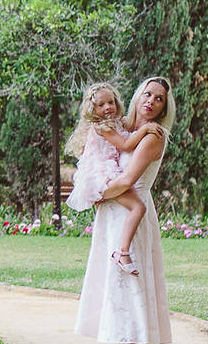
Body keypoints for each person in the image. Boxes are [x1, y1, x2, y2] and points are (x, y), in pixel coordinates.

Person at [74, 76, 175, 344]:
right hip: (115, 217)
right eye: (147, 93)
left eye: (159, 99)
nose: (151, 101)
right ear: (136, 96)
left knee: (127, 300)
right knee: (125, 296)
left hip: (130, 217)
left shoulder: (152, 138)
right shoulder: (121, 128)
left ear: (164, 107)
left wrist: (95, 194)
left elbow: (126, 180)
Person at [65, 82, 163, 275]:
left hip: (106, 171)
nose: (108, 107)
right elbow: (126, 145)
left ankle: (122, 252)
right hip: (103, 174)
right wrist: (144, 130)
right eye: (101, 105)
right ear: (93, 110)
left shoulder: (115, 124)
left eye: (111, 102)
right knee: (138, 207)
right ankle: (123, 252)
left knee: (135, 207)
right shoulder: (102, 127)